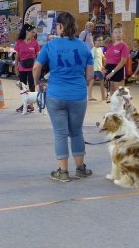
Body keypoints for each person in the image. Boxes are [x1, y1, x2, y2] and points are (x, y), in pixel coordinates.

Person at [33, 12, 94, 182]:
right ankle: (80, 169)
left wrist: (37, 83)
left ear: (59, 26)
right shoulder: (83, 47)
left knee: (60, 134)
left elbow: (37, 67)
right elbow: (90, 76)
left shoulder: (50, 46)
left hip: (56, 95)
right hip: (78, 96)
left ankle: (63, 172)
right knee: (76, 132)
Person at [14, 23, 40, 113]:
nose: (34, 34)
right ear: (27, 32)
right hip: (21, 67)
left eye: (34, 33)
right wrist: (16, 67)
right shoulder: (19, 42)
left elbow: (38, 57)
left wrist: (38, 68)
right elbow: (17, 56)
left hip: (32, 68)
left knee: (32, 85)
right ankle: (25, 104)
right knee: (22, 86)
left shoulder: (35, 43)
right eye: (32, 32)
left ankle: (31, 106)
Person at [104, 23, 130, 97]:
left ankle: (128, 106)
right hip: (109, 69)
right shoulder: (110, 45)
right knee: (112, 92)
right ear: (112, 34)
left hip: (118, 69)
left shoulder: (124, 46)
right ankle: (114, 108)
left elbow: (123, 62)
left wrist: (112, 72)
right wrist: (104, 68)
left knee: (119, 92)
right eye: (115, 32)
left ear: (123, 34)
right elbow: (107, 59)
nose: (118, 34)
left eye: (119, 32)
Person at [88, 34, 107, 101]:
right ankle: (103, 97)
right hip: (95, 69)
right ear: (94, 41)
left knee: (93, 81)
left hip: (99, 68)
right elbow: (91, 60)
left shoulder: (100, 49)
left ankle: (91, 96)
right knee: (101, 82)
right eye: (99, 40)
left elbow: (103, 58)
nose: (100, 41)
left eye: (101, 40)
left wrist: (103, 66)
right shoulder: (93, 49)